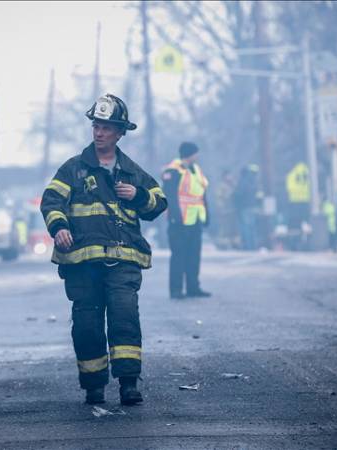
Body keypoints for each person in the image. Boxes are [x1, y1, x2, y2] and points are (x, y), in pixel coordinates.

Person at [40, 93, 167, 406]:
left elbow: (159, 203)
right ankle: (94, 387)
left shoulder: (132, 172)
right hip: (83, 265)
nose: (99, 132)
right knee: (87, 326)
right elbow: (51, 201)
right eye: (96, 125)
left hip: (123, 261)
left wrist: (138, 195)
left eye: (106, 127)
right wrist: (60, 228)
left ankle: (128, 385)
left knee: (125, 320)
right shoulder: (73, 169)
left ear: (120, 132)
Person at [162, 142, 211, 299]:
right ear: (189, 154)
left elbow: (201, 194)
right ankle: (176, 290)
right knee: (179, 255)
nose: (198, 156)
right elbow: (170, 196)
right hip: (179, 221)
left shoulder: (196, 170)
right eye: (196, 153)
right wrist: (176, 217)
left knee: (194, 254)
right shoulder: (173, 171)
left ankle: (193, 287)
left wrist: (207, 215)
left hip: (195, 219)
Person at [234, 164, 263, 250]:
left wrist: (237, 204)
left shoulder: (243, 182)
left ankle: (248, 247)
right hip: (253, 207)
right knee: (252, 228)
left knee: (246, 227)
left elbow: (239, 194)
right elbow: (259, 196)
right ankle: (253, 246)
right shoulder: (254, 182)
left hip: (245, 207)